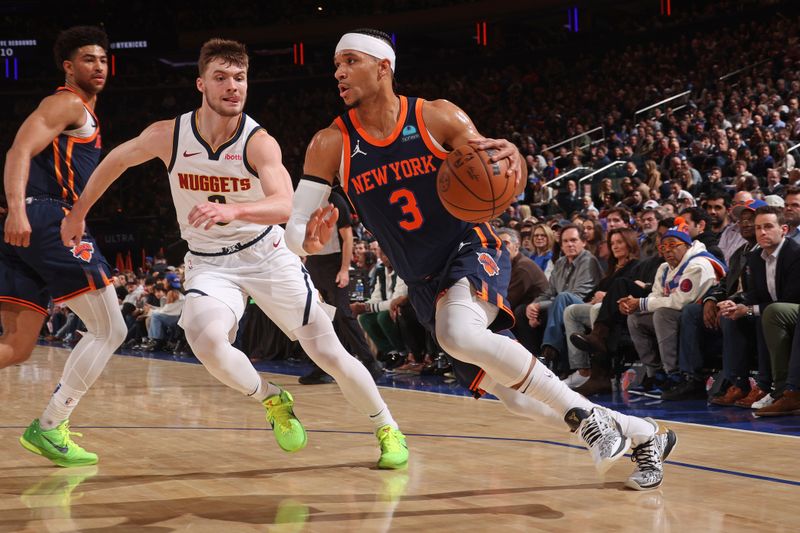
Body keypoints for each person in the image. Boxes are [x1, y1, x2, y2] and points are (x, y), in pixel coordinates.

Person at [286, 28, 675, 490]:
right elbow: (294, 230)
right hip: (423, 278)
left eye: (350, 61)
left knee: (458, 332)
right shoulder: (330, 143)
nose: (339, 73)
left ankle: (585, 416)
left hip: (471, 248)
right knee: (515, 399)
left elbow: (492, 169)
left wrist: (511, 159)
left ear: (383, 66)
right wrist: (309, 241)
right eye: (336, 65)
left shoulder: (435, 116)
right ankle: (643, 434)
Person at [60, 38, 408, 469]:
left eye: (240, 78)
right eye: (221, 78)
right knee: (205, 340)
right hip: (209, 262)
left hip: (266, 254)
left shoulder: (258, 142)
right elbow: (114, 161)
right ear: (201, 84)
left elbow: (284, 204)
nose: (232, 87)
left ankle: (387, 428)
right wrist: (78, 214)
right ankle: (271, 399)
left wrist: (236, 209)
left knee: (329, 353)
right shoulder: (169, 134)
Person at [1, 26, 127, 467]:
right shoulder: (66, 102)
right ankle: (51, 426)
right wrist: (19, 209)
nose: (99, 66)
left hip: (34, 224)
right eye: (89, 59)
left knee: (16, 348)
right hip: (44, 218)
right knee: (112, 329)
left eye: (104, 60)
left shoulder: (82, 112)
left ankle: (51, 427)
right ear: (69, 67)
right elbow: (18, 150)